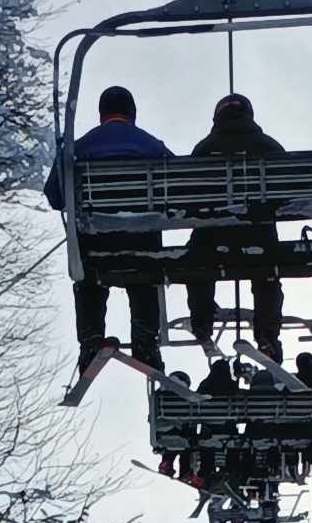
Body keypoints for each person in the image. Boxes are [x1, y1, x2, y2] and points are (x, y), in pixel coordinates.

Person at [45, 85, 173, 375]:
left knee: (89, 282)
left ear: (101, 114)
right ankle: (145, 343)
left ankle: (90, 342)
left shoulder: (78, 148)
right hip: (142, 244)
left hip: (95, 246)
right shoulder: (151, 146)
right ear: (132, 114)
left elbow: (55, 196)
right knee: (144, 280)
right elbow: (179, 186)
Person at [183, 94, 286, 362]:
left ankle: (202, 321)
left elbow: (189, 201)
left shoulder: (203, 149)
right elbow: (288, 194)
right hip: (259, 239)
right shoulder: (268, 146)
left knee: (196, 262)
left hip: (212, 241)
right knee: (267, 275)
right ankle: (267, 335)